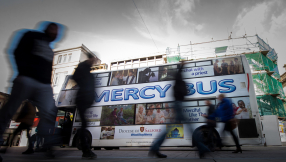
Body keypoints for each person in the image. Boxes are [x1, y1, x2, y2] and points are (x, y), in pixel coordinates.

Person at [0, 22, 62, 159]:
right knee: (10, 110)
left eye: (57, 32)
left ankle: (48, 144)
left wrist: (48, 84)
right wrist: (23, 71)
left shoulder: (50, 50)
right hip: (26, 79)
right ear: (47, 28)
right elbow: (16, 51)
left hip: (44, 85)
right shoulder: (31, 36)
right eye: (53, 29)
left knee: (50, 110)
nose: (55, 33)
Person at [149, 61, 189, 158]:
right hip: (178, 104)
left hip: (179, 103)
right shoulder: (178, 77)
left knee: (172, 127)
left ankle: (155, 147)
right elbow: (179, 74)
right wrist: (181, 66)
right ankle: (202, 148)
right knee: (186, 124)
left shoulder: (178, 79)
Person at [73, 53, 97, 159]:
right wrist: (84, 88)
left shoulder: (88, 71)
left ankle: (85, 149)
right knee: (84, 125)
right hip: (81, 100)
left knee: (84, 124)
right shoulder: (83, 67)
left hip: (85, 100)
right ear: (90, 58)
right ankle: (85, 149)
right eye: (94, 60)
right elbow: (76, 77)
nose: (94, 62)